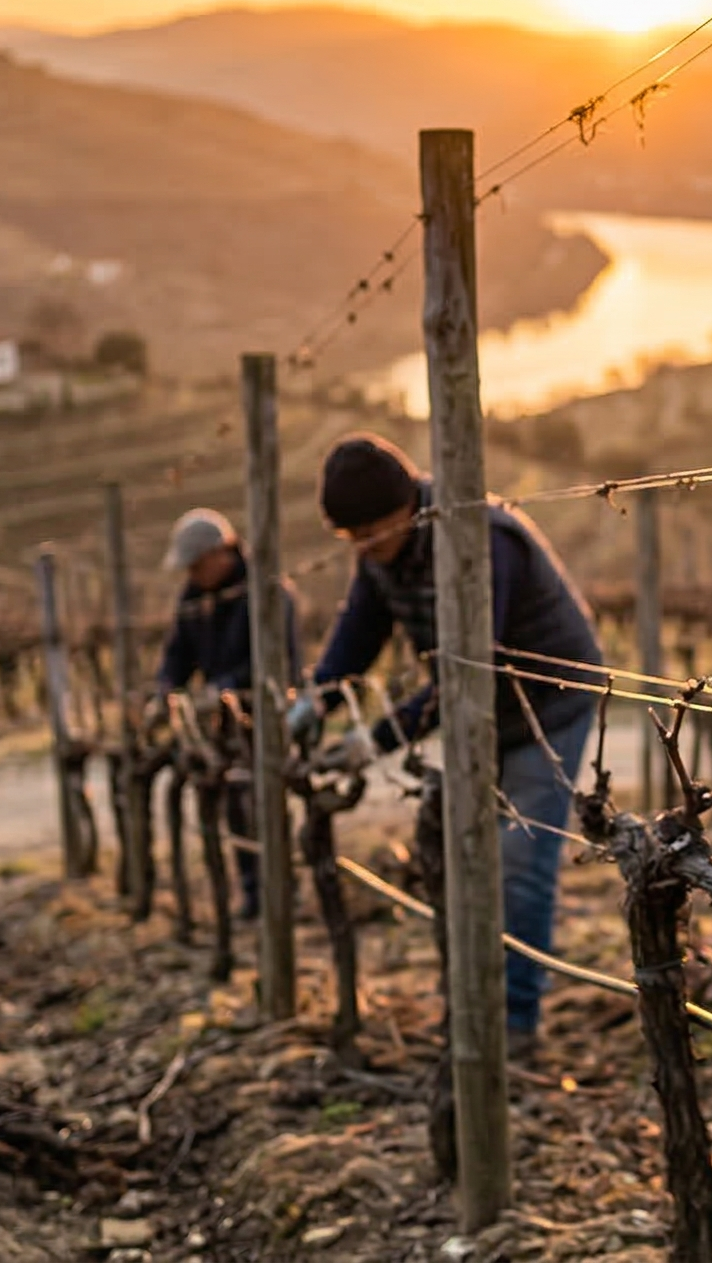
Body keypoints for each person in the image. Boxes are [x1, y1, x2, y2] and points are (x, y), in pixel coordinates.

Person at [287, 434, 603, 1053]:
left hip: (548, 704)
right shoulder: (382, 551)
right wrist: (315, 700)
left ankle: (514, 1024)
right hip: (474, 711)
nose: (369, 549)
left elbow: (471, 666)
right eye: (354, 540)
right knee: (465, 855)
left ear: (410, 503)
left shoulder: (480, 539)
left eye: (375, 532)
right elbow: (360, 629)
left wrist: (372, 740)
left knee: (522, 861)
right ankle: (474, 1002)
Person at [151, 507, 300, 918]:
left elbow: (276, 662)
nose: (193, 575)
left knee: (267, 798)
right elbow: (177, 652)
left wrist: (225, 688)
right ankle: (254, 890)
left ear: (222, 553)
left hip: (266, 712)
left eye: (197, 565)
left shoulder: (267, 592)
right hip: (221, 721)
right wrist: (165, 688)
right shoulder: (194, 597)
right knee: (235, 804)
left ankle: (284, 884)